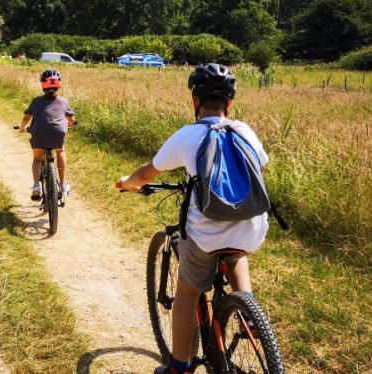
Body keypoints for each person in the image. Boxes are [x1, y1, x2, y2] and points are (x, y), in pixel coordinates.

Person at [115, 63, 270, 374]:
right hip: (252, 227)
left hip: (207, 236)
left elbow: (148, 173)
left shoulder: (190, 135)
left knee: (187, 292)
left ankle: (180, 366)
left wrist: (127, 183)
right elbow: (260, 166)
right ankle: (248, 310)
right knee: (237, 252)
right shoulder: (245, 131)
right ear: (230, 103)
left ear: (195, 101)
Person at [17, 69, 75, 201]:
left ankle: (36, 186)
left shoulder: (36, 101)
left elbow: (26, 118)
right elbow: (71, 120)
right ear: (58, 85)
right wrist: (70, 124)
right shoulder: (63, 101)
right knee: (60, 151)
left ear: (43, 85)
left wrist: (21, 128)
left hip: (39, 133)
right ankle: (62, 184)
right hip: (58, 133)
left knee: (37, 159)